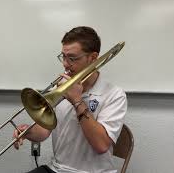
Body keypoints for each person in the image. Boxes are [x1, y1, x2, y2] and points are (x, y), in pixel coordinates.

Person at [13, 26, 127, 173]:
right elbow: (44, 131)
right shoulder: (60, 90)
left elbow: (101, 145)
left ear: (92, 58)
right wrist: (28, 132)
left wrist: (77, 101)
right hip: (57, 169)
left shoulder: (115, 95)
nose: (65, 64)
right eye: (63, 57)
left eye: (72, 58)